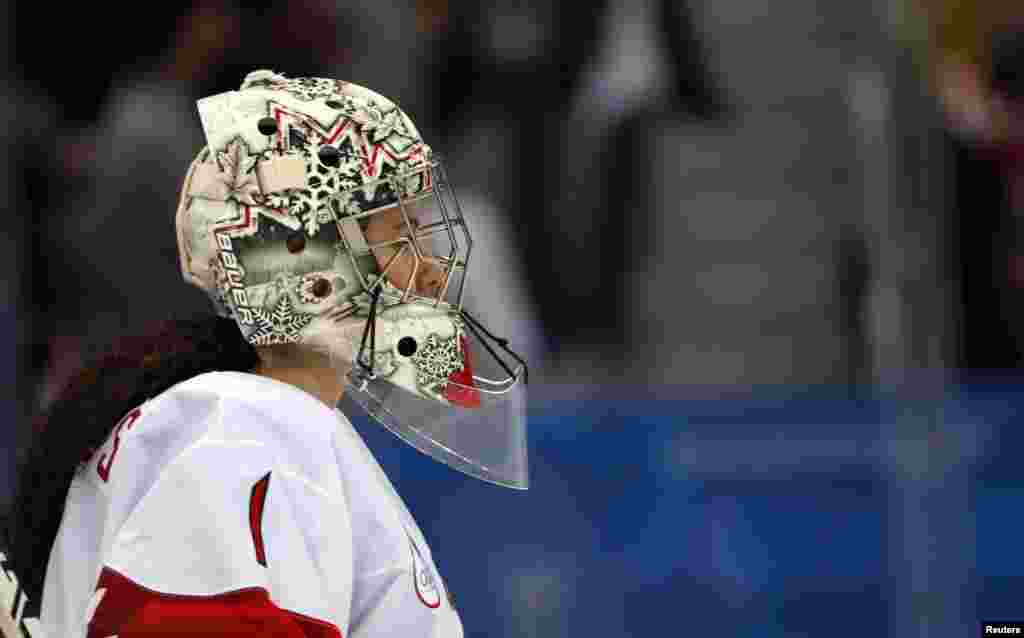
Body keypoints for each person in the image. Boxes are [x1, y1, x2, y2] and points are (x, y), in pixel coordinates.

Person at [4, 70, 529, 637]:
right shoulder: (255, 429)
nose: (429, 270)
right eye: (400, 234)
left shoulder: (229, 420)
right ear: (304, 254)